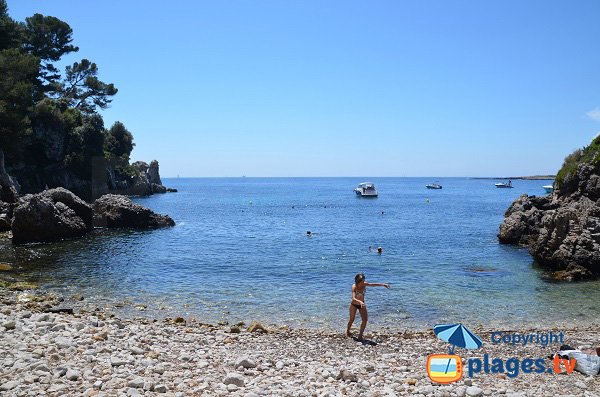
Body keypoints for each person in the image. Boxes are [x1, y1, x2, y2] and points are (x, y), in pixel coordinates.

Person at [346, 273, 390, 340]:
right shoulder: (354, 286)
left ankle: (360, 335)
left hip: (362, 304)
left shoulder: (364, 284)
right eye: (361, 281)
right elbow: (353, 298)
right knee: (352, 319)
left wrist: (383, 284)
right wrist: (359, 301)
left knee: (365, 320)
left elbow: (372, 285)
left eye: (363, 281)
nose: (363, 283)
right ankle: (348, 331)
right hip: (354, 305)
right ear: (357, 281)